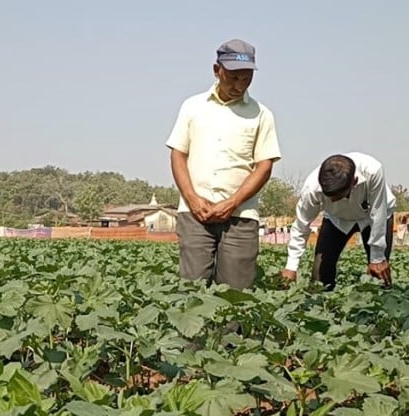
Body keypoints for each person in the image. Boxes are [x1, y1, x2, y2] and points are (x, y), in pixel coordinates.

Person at [165, 38, 281, 290]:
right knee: (191, 289)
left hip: (240, 216)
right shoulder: (192, 107)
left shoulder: (261, 114)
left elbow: (264, 166)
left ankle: (231, 332)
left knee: (235, 295)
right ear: (217, 70)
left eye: (246, 78)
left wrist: (233, 202)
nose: (240, 85)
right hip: (196, 213)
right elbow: (178, 155)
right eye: (233, 77)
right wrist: (192, 199)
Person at [280, 153, 396, 290]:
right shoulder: (311, 189)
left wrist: (377, 258)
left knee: (378, 273)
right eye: (328, 197)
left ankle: (381, 304)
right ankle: (322, 306)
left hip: (374, 217)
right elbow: (301, 226)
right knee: (319, 278)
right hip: (336, 219)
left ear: (354, 182)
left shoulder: (373, 170)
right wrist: (291, 267)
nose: (332, 201)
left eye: (337, 197)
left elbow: (378, 213)